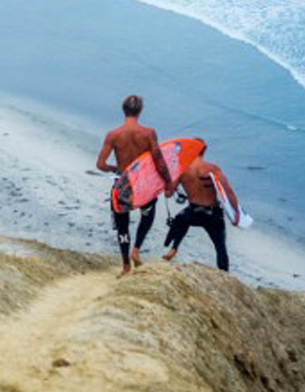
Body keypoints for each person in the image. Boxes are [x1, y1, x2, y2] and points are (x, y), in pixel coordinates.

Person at [95, 95, 175, 275]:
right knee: (147, 215)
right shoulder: (148, 133)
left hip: (123, 186)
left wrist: (116, 169)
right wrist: (168, 183)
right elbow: (159, 161)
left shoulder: (113, 135)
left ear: (123, 110)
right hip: (143, 187)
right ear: (140, 110)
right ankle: (136, 250)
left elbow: (100, 164)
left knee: (122, 226)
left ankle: (125, 266)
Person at [162, 139, 235, 271]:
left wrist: (167, 180)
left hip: (194, 212)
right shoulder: (213, 168)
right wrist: (236, 215)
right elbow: (228, 192)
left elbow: (168, 193)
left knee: (181, 219)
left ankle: (173, 248)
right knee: (220, 247)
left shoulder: (181, 169)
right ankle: (225, 274)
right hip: (213, 214)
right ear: (204, 150)